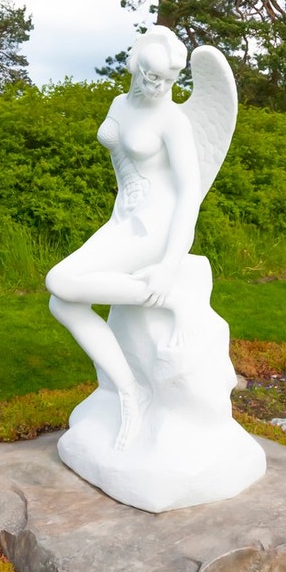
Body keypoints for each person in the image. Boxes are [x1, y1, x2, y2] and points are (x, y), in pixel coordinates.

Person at [45, 26, 201, 450]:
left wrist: (169, 265)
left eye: (168, 81)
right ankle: (129, 392)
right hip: (125, 219)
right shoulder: (118, 103)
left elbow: (190, 192)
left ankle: (172, 299)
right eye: (152, 78)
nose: (159, 87)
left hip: (157, 225)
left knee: (59, 282)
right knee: (61, 301)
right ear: (136, 68)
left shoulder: (173, 119)